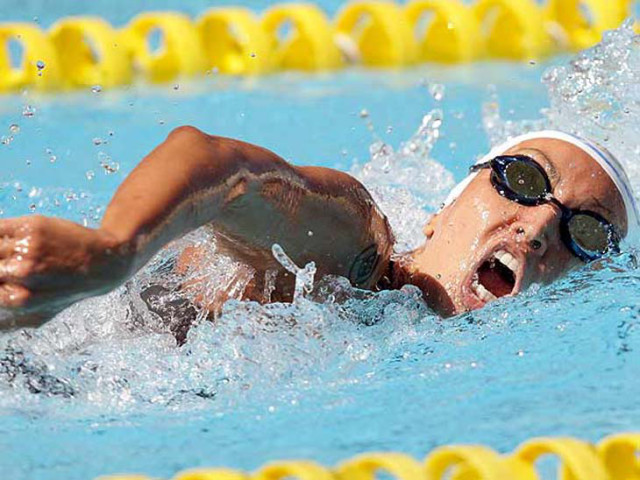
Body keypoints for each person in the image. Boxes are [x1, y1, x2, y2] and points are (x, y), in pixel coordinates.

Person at [0, 127, 636, 331]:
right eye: (522, 181)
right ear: (442, 210)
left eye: (589, 232)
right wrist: (114, 251)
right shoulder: (355, 250)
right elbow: (220, 166)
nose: (537, 229)